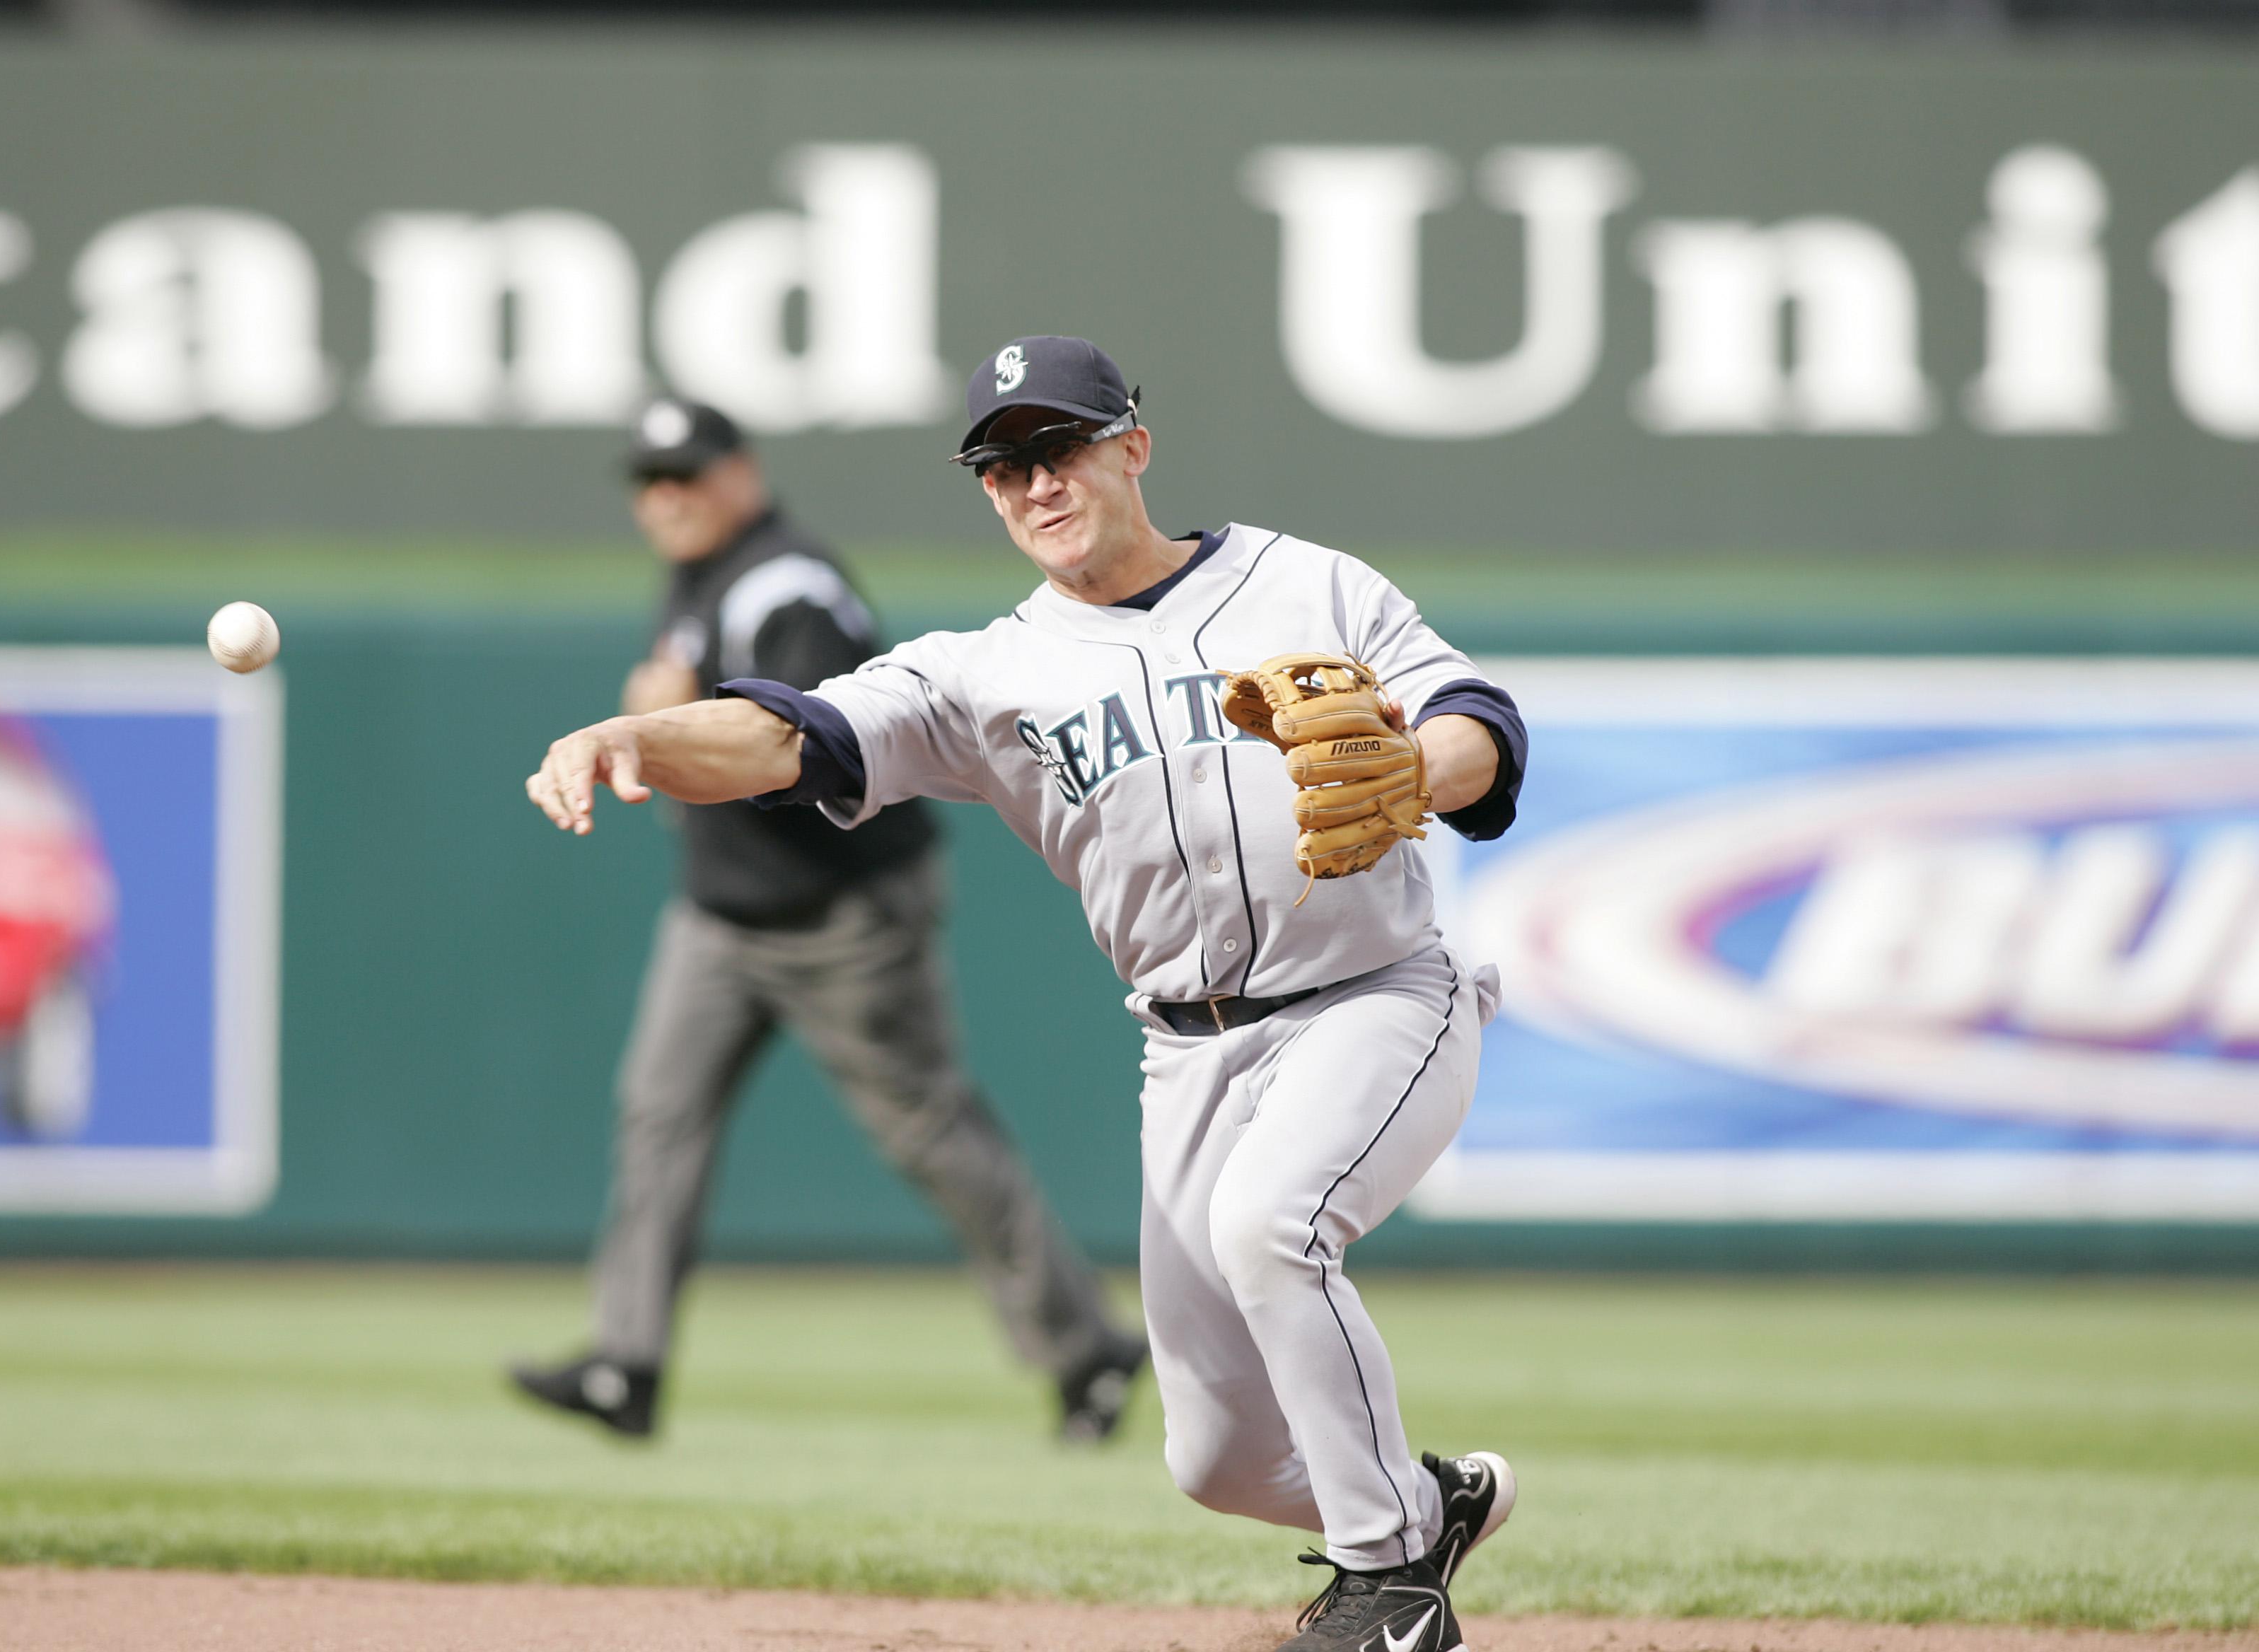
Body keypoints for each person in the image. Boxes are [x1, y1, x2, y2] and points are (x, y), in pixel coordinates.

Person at [525, 343, 1528, 1652]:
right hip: (1188, 1049)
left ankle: (1393, 1589)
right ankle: (1421, 1504)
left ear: (1134, 447)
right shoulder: (983, 672)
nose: (1036, 480)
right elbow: (792, 736)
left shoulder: (1307, 582)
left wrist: (1418, 767)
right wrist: (637, 739)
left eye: (1061, 445)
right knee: (1214, 1459)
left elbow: (1477, 717)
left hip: (1376, 995)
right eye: (1005, 463)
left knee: (1273, 1224)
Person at [509, 395, 1148, 1445]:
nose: (669, 499)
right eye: (651, 483)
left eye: (690, 475)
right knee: (657, 1118)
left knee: (930, 1130)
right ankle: (626, 1363)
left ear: (742, 472)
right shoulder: (703, 570)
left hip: (841, 917)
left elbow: (816, 750)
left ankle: (1087, 1351)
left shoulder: (787, 588)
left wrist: (668, 724)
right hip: (720, 915)